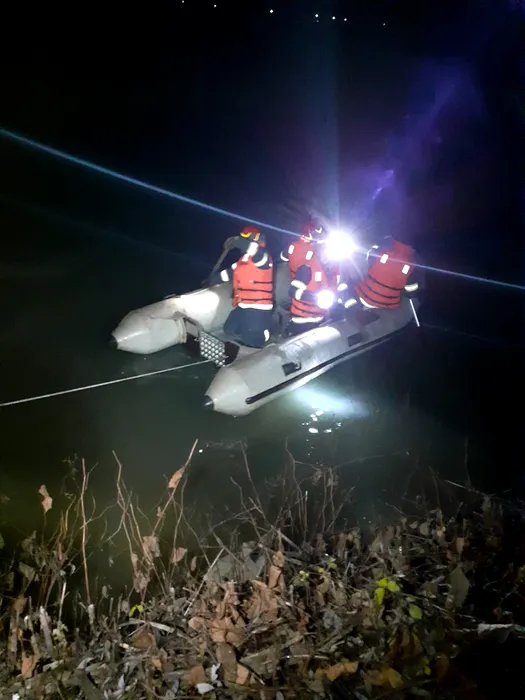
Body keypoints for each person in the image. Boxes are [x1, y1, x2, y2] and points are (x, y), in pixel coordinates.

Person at [210, 225, 274, 348]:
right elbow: (229, 273)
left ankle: (264, 332)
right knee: (229, 329)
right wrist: (211, 281)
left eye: (247, 237)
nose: (244, 239)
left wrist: (237, 241)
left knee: (252, 340)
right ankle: (250, 332)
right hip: (243, 305)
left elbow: (255, 251)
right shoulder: (243, 260)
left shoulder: (263, 257)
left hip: (259, 308)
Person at [343, 237, 420, 311]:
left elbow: (367, 263)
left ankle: (345, 303)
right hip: (389, 304)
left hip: (364, 296)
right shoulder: (412, 264)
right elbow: (411, 291)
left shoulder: (382, 250)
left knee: (352, 268)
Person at [287, 245, 341, 335]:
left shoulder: (332, 272)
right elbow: (292, 291)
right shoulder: (307, 268)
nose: (327, 256)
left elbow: (336, 291)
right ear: (319, 252)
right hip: (302, 321)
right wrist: (316, 298)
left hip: (322, 320)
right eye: (325, 252)